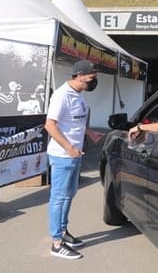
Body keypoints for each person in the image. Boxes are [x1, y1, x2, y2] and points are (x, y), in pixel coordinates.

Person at [44, 60, 99, 260]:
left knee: (69, 194)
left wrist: (90, 133)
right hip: (62, 155)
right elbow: (50, 125)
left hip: (75, 154)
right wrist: (68, 148)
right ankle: (56, 243)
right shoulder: (61, 96)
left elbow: (75, 122)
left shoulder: (79, 95)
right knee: (59, 197)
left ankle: (63, 231)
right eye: (92, 77)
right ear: (79, 75)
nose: (94, 81)